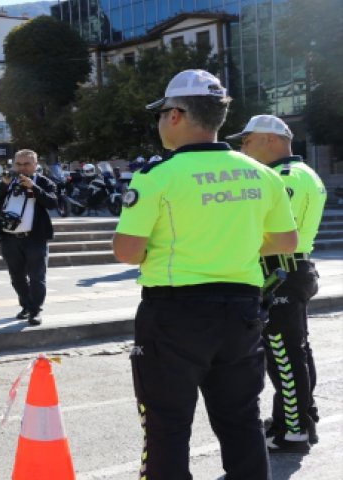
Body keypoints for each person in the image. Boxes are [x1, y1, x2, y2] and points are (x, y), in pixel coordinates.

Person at [113, 69, 298, 478]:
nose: (160, 121)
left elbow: (127, 252)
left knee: (167, 427)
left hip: (174, 315)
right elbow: (287, 241)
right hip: (242, 311)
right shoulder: (264, 174)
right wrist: (234, 244)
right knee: (241, 422)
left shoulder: (156, 177)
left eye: (161, 113)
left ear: (176, 115)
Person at [227, 114, 327, 453]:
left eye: (247, 140)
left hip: (279, 272)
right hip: (292, 270)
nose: (242, 148)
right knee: (297, 351)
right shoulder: (301, 174)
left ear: (270, 139)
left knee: (283, 354)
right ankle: (299, 418)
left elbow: (279, 234)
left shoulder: (285, 178)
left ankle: (293, 430)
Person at [0, 149, 58, 324]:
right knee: (16, 276)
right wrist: (3, 185)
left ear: (35, 165)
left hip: (35, 237)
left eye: (26, 164)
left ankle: (35, 310)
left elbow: (52, 202)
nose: (22, 168)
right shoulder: (7, 181)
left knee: (37, 276)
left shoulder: (45, 183)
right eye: (18, 164)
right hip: (9, 238)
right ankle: (26, 306)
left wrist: (34, 187)